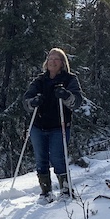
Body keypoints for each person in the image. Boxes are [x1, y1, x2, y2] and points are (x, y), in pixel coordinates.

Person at [22, 48, 84, 199]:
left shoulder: (69, 79)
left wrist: (66, 95)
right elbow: (26, 101)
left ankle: (65, 190)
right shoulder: (39, 80)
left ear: (62, 63)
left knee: (57, 157)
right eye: (50, 58)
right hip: (39, 125)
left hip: (59, 125)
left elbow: (77, 101)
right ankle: (45, 192)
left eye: (56, 59)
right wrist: (33, 101)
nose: (52, 61)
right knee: (40, 158)